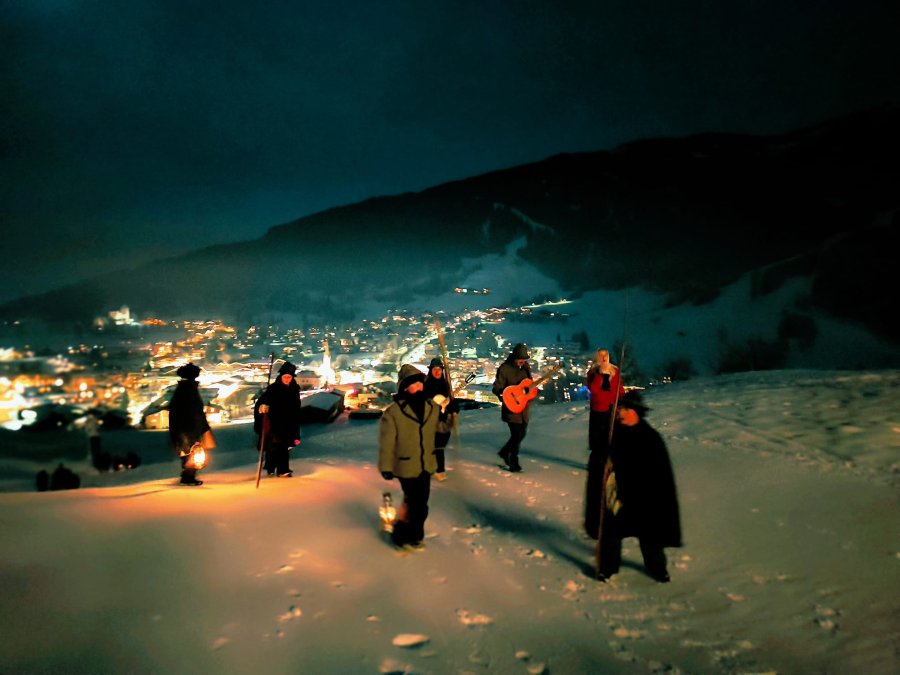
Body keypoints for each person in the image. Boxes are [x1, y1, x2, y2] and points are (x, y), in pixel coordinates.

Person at [595, 390, 682, 583]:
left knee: (650, 536)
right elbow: (600, 455)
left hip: (645, 498)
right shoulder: (613, 434)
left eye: (625, 409)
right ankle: (607, 569)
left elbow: (661, 474)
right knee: (611, 533)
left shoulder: (651, 438)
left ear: (637, 412)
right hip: (619, 496)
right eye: (619, 409)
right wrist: (604, 459)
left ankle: (658, 569)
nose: (620, 413)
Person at [378, 364, 450, 548]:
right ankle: (403, 536)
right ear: (404, 387)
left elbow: (441, 429)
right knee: (416, 503)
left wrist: (449, 415)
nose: (418, 387)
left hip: (426, 464)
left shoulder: (431, 407)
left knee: (421, 503)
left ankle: (414, 535)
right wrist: (386, 466)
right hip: (406, 465)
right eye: (413, 384)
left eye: (420, 383)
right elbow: (387, 442)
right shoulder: (394, 412)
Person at [583, 347, 625, 537]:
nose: (603, 358)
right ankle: (597, 459)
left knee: (611, 435)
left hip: (611, 407)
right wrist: (600, 374)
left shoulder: (615, 370)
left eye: (605, 356)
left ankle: (610, 459)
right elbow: (593, 389)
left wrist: (620, 404)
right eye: (600, 356)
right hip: (598, 408)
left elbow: (619, 389)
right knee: (598, 436)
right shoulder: (593, 371)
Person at [255, 361, 302, 477]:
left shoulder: (294, 390)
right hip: (274, 423)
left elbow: (296, 408)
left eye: (289, 377)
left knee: (283, 447)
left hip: (288, 423)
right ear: (281, 377)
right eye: (285, 377)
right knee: (275, 446)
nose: (287, 379)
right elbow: (262, 401)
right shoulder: (273, 389)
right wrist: (262, 407)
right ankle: (275, 468)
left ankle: (279, 469)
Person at [491, 343, 532, 472]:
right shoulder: (504, 369)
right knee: (516, 434)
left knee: (522, 433)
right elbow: (497, 388)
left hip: (523, 408)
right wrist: (507, 396)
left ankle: (504, 452)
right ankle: (513, 461)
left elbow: (528, 384)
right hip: (511, 409)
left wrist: (527, 392)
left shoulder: (526, 368)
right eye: (520, 358)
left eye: (524, 359)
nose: (522, 361)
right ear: (514, 357)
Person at [168, 362, 211, 486]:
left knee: (190, 452)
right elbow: (195, 412)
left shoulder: (184, 389)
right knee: (191, 451)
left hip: (187, 428)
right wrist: (203, 427)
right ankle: (188, 476)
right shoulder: (188, 390)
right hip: (189, 428)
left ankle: (188, 475)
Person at [422, 356, 458, 481]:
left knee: (439, 445)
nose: (437, 372)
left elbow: (451, 401)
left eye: (439, 369)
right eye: (435, 369)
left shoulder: (446, 385)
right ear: (430, 371)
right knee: (436, 446)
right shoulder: (426, 386)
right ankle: (438, 470)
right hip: (430, 421)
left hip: (444, 421)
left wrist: (453, 407)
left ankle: (434, 468)